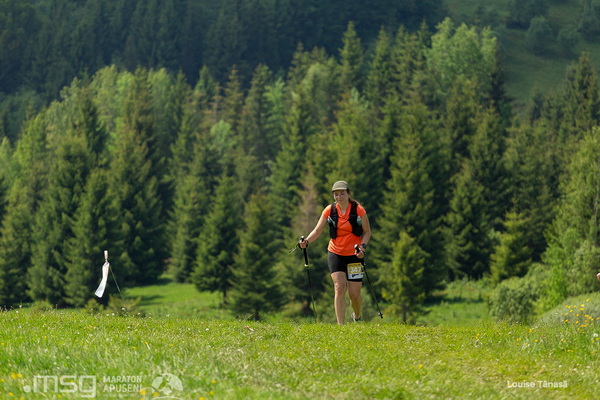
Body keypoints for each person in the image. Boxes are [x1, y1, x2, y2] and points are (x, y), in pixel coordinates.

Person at [299, 180, 371, 325]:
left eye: (342, 193)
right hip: (335, 253)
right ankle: (340, 326)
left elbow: (367, 232)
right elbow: (317, 230)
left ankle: (357, 316)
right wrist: (306, 241)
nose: (339, 197)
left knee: (354, 295)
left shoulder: (358, 210)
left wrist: (362, 247)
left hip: (354, 255)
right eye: (336, 194)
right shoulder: (329, 210)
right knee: (339, 287)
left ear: (348, 194)